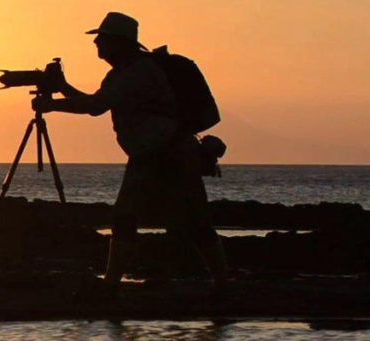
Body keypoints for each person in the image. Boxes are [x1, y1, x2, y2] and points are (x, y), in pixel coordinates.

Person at [31, 12, 229, 296]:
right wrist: (61, 89)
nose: (97, 43)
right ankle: (221, 283)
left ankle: (113, 284)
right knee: (180, 218)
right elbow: (96, 103)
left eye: (102, 38)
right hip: (158, 153)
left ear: (119, 42)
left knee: (154, 218)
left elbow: (95, 106)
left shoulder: (138, 72)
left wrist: (52, 105)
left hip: (167, 153)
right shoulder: (123, 73)